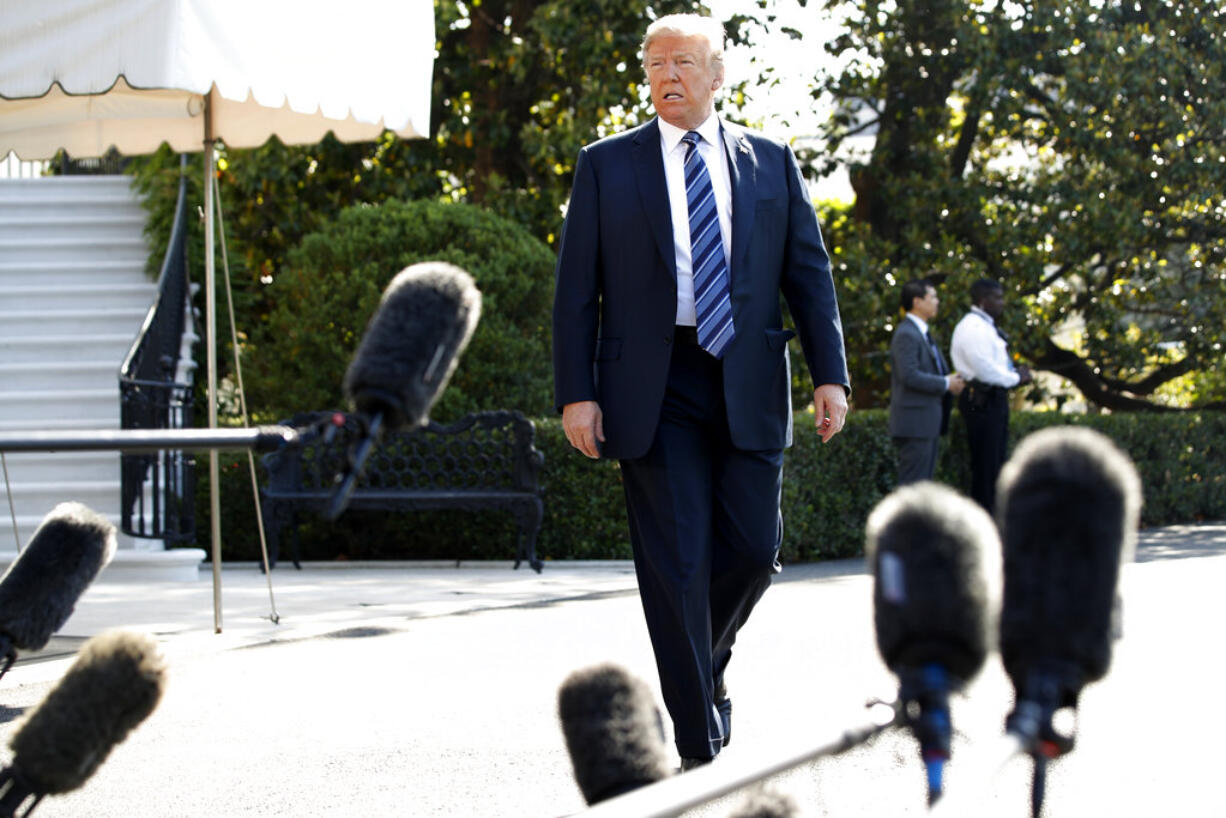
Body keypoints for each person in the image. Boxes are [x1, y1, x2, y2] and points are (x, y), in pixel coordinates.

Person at [551, 13, 850, 770]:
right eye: (654, 64)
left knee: (753, 551)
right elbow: (574, 293)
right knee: (676, 564)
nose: (665, 76)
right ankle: (695, 737)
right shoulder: (606, 165)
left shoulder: (772, 160)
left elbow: (808, 274)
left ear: (718, 75)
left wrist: (830, 372)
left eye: (682, 62)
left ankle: (701, 668)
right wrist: (575, 392)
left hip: (747, 375)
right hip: (652, 384)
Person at [949, 278, 1032, 512]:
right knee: (985, 466)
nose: (1002, 302)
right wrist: (1016, 378)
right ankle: (986, 521)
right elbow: (984, 369)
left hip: (994, 398)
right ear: (983, 300)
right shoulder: (972, 327)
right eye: (997, 297)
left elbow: (996, 366)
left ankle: (995, 518)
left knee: (995, 463)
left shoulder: (987, 326)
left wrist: (1014, 373)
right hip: (981, 399)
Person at [888, 279, 964, 485]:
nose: (937, 302)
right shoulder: (907, 334)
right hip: (915, 424)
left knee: (922, 485)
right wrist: (946, 383)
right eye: (933, 297)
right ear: (917, 302)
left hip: (926, 422)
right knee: (912, 486)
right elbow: (909, 375)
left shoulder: (922, 332)